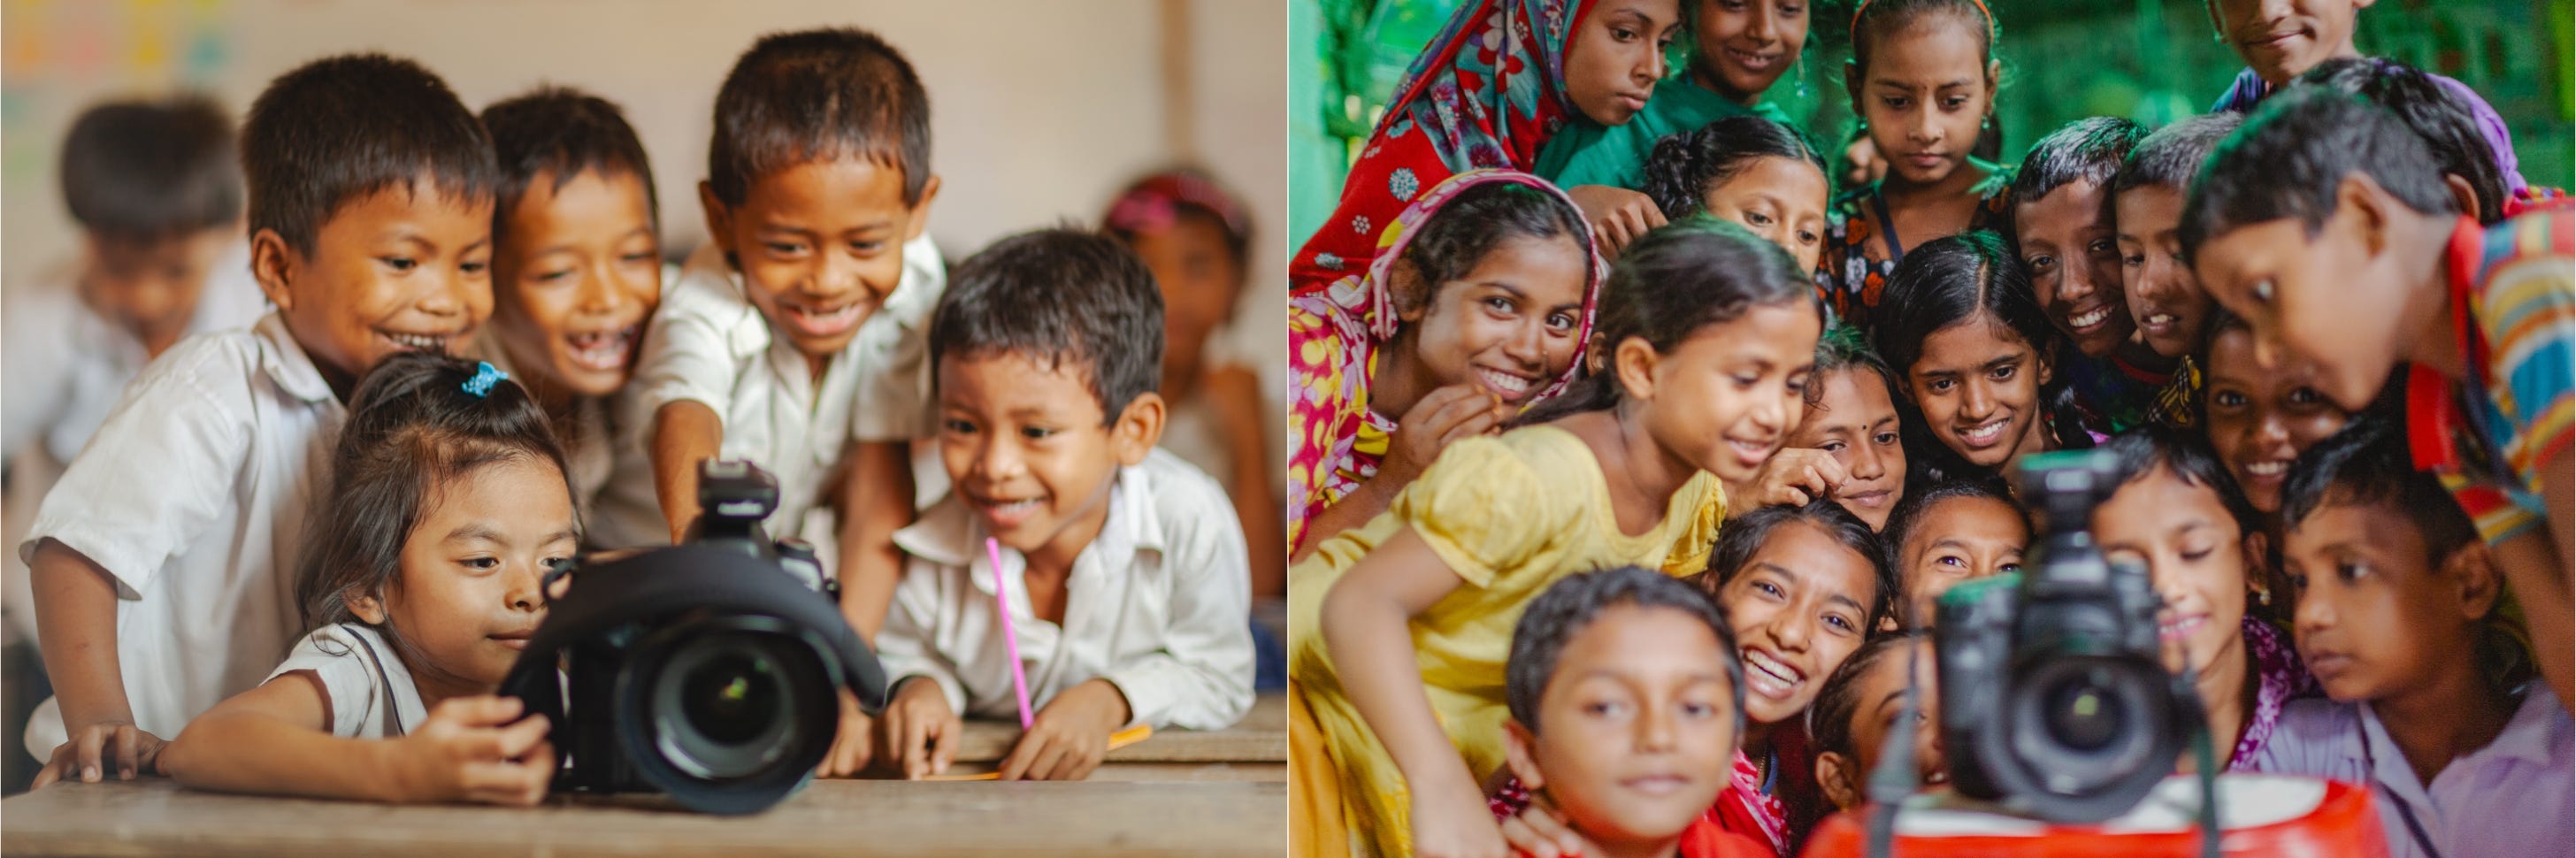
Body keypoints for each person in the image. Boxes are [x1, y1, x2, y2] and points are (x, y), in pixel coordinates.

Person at [22, 53, 497, 783]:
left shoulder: (427, 412)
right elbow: (75, 551)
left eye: (471, 265)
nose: (446, 300)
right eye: (404, 263)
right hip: (143, 781)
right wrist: (101, 729)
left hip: (279, 780)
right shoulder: (214, 388)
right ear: (277, 269)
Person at [1289, 220, 1815, 858]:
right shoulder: (1535, 476)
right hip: (1326, 705)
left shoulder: (1693, 496)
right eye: (1745, 378)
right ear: (1643, 369)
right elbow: (1357, 605)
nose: (1775, 413)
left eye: (1792, 383)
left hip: (1438, 737)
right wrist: (1442, 788)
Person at [2182, 88, 2572, 708]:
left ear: (2364, 218)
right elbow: (2563, 638)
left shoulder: (2529, 285)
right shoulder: (2442, 413)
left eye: (2265, 293)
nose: (2264, 351)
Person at [873, 229, 1254, 782]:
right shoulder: (931, 541)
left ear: (1133, 431)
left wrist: (1111, 699)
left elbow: (1221, 675)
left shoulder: (1189, 519)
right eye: (962, 425)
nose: (994, 466)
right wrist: (919, 687)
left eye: (1037, 431)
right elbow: (902, 650)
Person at [155, 354, 567, 805]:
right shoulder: (358, 668)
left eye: (556, 561)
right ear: (369, 584)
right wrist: (398, 770)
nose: (531, 593)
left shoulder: (561, 688)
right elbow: (204, 745)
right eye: (482, 560)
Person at [2257, 418, 2570, 858]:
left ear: (2471, 583)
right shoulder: (2292, 759)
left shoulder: (2564, 755)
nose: (2309, 615)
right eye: (2300, 580)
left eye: (2351, 571)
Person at [1288, 172, 1598, 557]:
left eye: (1559, 321)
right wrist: (1390, 488)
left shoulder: (1522, 436)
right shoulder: (1305, 357)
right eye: (1501, 305)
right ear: (1410, 289)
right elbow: (1280, 595)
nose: (1531, 351)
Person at [1291, 0, 1683, 294]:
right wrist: (1562, 212)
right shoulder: (1423, 154)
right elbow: (1325, 294)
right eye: (1625, 34)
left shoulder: (1543, 140)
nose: (1651, 67)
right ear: (1550, 24)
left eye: (1664, 43)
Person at [1815, 0, 2012, 333]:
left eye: (1952, 102)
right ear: (1856, 88)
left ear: (1989, 88)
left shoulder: (2022, 205)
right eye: (1897, 101)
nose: (1926, 130)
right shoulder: (1833, 236)